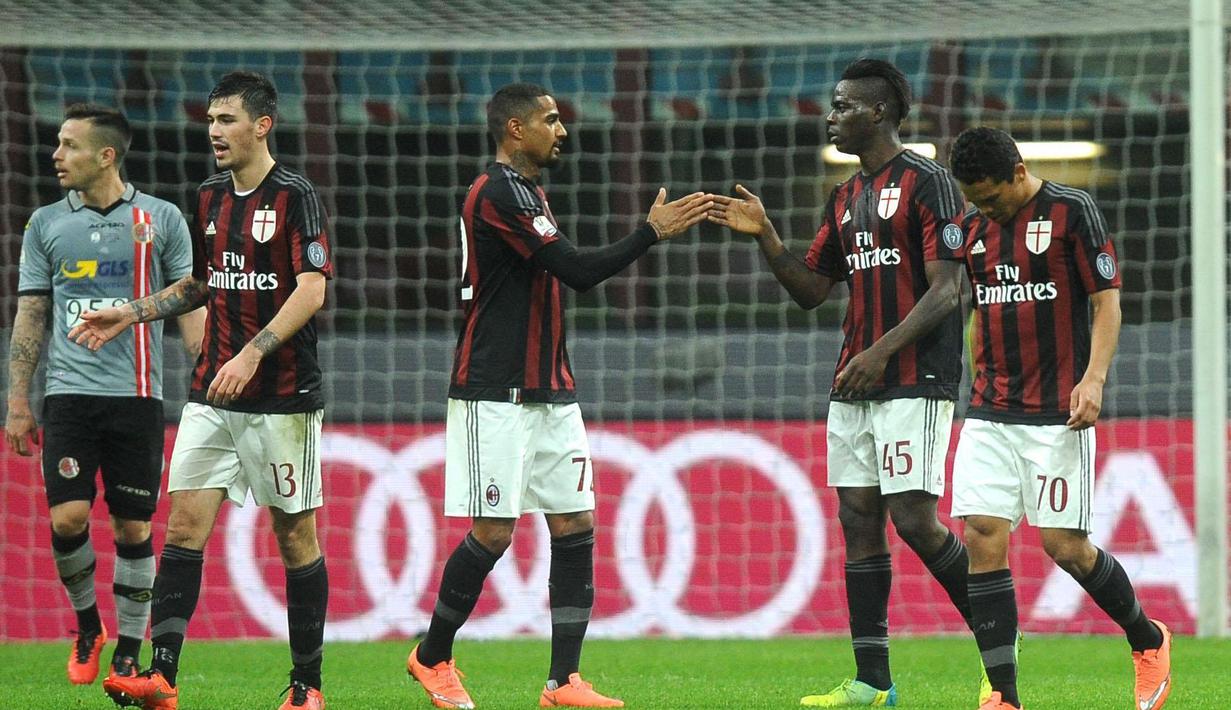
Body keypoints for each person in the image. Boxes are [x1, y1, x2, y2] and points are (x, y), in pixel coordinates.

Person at [405, 82, 710, 710]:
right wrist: (649, 233)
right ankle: (432, 656)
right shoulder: (498, 192)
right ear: (515, 129)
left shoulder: (529, 192)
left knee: (575, 522)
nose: (562, 131)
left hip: (550, 388)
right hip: (495, 388)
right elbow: (578, 271)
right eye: (550, 120)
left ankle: (563, 682)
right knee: (494, 531)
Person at [708, 59, 973, 707]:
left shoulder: (929, 182)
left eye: (842, 105)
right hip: (856, 379)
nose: (830, 116)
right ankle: (871, 682)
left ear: (878, 112)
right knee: (857, 518)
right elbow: (811, 290)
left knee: (913, 518)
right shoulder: (844, 196)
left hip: (912, 375)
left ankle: (997, 623)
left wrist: (880, 353)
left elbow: (948, 289)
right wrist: (767, 236)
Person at [69, 71, 333, 710]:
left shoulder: (295, 195)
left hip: (282, 396)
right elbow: (201, 284)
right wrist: (129, 313)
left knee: (294, 536)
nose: (214, 131)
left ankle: (307, 686)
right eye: (211, 120)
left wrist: (252, 352)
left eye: (226, 120)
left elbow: (312, 288)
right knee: (184, 526)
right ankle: (162, 676)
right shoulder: (210, 195)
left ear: (262, 125)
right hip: (213, 392)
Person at [948, 126, 1172, 710]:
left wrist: (1093, 379)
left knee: (1065, 548)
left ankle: (1147, 639)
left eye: (992, 197)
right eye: (974, 200)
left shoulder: (1072, 211)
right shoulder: (972, 227)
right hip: (989, 408)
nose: (985, 209)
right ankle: (1003, 695)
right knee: (982, 535)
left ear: (1019, 172)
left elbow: (1107, 301)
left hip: (1057, 413)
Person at [4, 103, 202, 690]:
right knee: (67, 517)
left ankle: (129, 652)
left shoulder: (161, 219)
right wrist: (17, 400)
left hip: (137, 397)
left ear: (106, 155)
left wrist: (207, 374)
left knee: (133, 529)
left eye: (69, 144)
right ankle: (89, 626)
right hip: (68, 394)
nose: (56, 155)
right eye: (58, 143)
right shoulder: (44, 224)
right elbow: (31, 313)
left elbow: (191, 297)